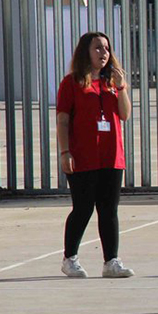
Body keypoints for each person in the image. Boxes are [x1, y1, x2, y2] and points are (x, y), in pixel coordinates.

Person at [56, 32, 134, 279]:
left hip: (111, 156)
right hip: (82, 156)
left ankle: (111, 261)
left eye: (107, 49)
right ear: (86, 52)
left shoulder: (113, 83)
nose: (104, 53)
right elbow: (62, 120)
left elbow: (125, 114)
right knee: (83, 208)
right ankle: (70, 258)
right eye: (98, 48)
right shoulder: (71, 83)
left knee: (109, 209)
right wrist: (65, 151)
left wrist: (121, 88)